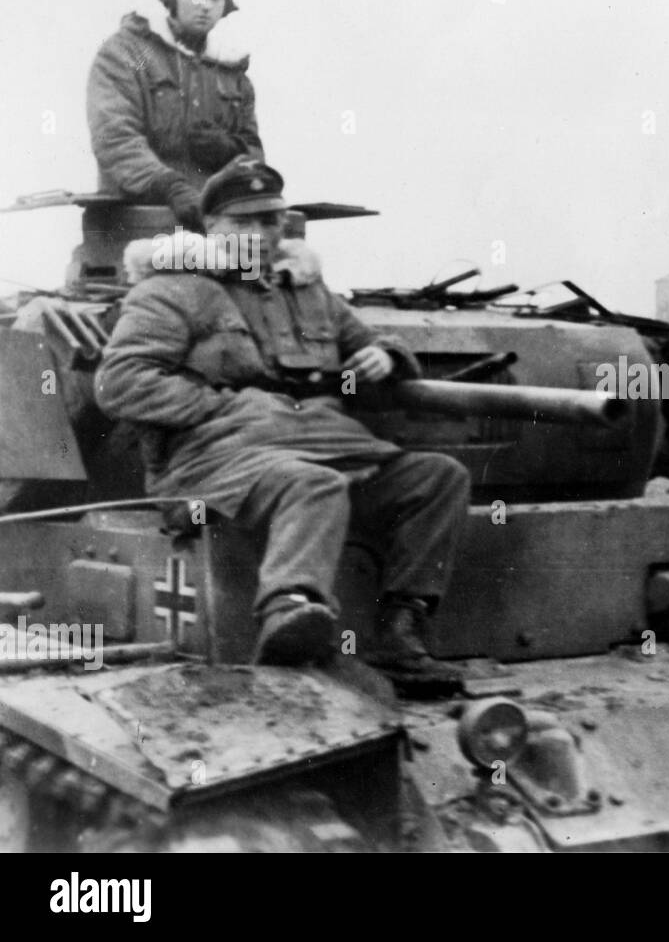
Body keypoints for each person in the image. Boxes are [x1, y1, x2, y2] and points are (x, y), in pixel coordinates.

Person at [94, 157, 471, 691]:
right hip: (210, 462)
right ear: (211, 229)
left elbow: (366, 345)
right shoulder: (173, 290)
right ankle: (289, 613)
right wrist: (222, 408)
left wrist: (383, 357)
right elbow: (121, 382)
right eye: (244, 223)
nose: (261, 234)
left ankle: (401, 632)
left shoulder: (307, 291)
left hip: (319, 444)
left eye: (271, 220)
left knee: (437, 478)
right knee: (312, 482)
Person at [87, 0, 263, 232]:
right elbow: (114, 138)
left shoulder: (232, 72)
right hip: (135, 229)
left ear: (226, 3)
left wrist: (231, 150)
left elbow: (254, 156)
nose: (204, 4)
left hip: (215, 230)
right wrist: (169, 186)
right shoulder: (126, 54)